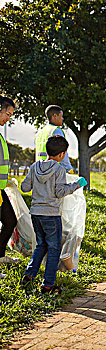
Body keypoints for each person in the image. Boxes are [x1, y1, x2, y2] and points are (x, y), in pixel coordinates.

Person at [19, 136, 87, 293]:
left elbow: (25, 187)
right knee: (54, 249)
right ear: (62, 154)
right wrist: (77, 184)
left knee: (41, 246)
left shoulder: (34, 166)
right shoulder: (58, 169)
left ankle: (29, 275)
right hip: (51, 215)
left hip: (36, 214)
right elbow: (60, 192)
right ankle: (48, 284)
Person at [0, 97, 19, 266]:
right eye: (7, 114)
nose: (8, 118)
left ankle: (0, 257)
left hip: (0, 190)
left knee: (10, 221)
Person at [35, 105, 73, 173]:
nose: (62, 119)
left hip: (40, 171)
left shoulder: (40, 132)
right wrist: (69, 170)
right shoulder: (56, 131)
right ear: (55, 116)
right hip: (54, 171)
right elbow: (63, 153)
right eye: (61, 116)